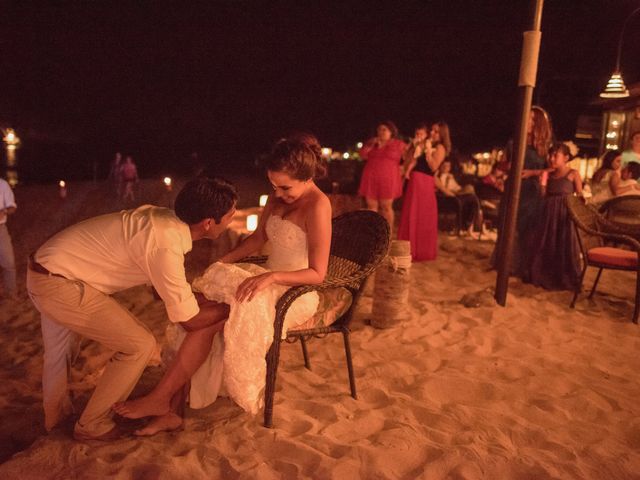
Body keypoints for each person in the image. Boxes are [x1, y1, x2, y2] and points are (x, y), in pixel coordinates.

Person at [113, 135, 332, 436]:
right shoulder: (276, 199)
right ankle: (168, 406)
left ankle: (165, 403)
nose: (278, 193)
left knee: (213, 316)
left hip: (296, 289)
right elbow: (257, 240)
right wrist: (223, 262)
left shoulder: (319, 206)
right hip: (265, 277)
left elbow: (318, 273)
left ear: (307, 177)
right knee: (201, 306)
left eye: (285, 187)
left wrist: (271, 277)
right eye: (273, 185)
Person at [26, 177, 237, 441]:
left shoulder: (162, 219)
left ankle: (55, 421)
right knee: (139, 345)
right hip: (60, 284)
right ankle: (91, 425)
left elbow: (158, 290)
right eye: (230, 216)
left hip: (43, 268)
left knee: (60, 354)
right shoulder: (165, 244)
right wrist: (232, 308)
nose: (232, 219)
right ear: (208, 222)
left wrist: (200, 299)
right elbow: (190, 321)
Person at [493, 105, 553, 276]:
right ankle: (506, 263)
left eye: (532, 118)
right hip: (513, 188)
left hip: (532, 192)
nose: (528, 121)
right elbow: (501, 165)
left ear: (538, 123)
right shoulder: (513, 143)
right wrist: (509, 166)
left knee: (527, 229)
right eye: (527, 117)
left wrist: (533, 172)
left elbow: (553, 169)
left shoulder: (544, 147)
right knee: (508, 225)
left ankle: (524, 266)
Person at [527, 143, 582, 290]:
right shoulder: (548, 174)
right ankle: (544, 275)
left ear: (566, 158)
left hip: (565, 213)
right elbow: (544, 196)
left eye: (555, 155)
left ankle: (564, 277)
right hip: (549, 213)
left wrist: (581, 202)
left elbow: (579, 195)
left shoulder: (573, 174)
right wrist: (542, 185)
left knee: (564, 243)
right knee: (547, 242)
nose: (551, 158)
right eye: (550, 155)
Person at [398, 122, 450, 261]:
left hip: (425, 182)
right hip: (414, 181)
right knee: (410, 214)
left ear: (442, 134)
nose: (432, 133)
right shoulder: (423, 144)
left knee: (421, 215)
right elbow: (408, 162)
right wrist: (413, 148)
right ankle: (408, 250)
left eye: (436, 131)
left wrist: (427, 151)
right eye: (432, 130)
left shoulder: (440, 147)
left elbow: (433, 167)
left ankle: (421, 251)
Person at [358, 120, 407, 231]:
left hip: (389, 178)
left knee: (386, 207)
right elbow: (362, 155)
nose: (381, 132)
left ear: (391, 132)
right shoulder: (372, 142)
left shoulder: (398, 144)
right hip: (371, 177)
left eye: (384, 129)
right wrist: (371, 145)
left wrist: (405, 168)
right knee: (371, 207)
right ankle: (373, 232)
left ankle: (387, 232)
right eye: (379, 129)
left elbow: (410, 156)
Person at [434, 158, 482, 236]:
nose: (446, 168)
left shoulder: (450, 176)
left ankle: (469, 228)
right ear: (440, 166)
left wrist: (462, 190)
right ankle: (465, 228)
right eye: (444, 166)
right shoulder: (438, 176)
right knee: (471, 198)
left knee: (473, 198)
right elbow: (443, 189)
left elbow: (456, 187)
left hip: (456, 194)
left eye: (448, 166)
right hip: (447, 197)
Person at [0, 177, 17, 300]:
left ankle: (10, 293)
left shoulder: (2, 184)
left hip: (0, 228)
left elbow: (12, 207)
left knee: (9, 262)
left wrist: (4, 211)